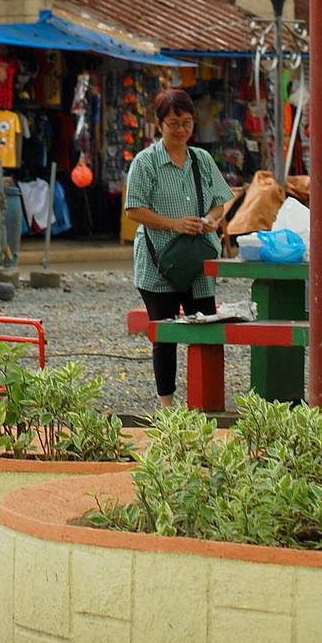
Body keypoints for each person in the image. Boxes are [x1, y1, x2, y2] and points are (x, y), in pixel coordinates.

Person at [125, 88, 236, 407]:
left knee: (206, 329)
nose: (181, 130)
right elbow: (133, 210)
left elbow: (220, 202)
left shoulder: (202, 159)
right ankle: (167, 406)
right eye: (174, 123)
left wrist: (212, 220)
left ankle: (207, 400)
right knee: (166, 335)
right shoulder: (146, 162)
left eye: (187, 122)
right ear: (159, 124)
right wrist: (174, 223)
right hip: (159, 263)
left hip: (200, 261)